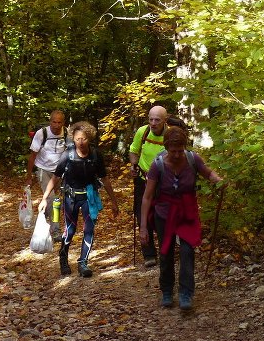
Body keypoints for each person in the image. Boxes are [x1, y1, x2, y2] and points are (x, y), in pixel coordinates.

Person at [139, 125, 224, 310]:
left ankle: (186, 293)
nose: (177, 155)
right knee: (166, 252)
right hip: (164, 212)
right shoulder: (158, 165)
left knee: (187, 251)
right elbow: (147, 197)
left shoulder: (192, 159)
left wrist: (217, 179)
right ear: (166, 148)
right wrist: (143, 227)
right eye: (173, 151)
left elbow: (208, 172)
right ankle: (167, 291)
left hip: (187, 211)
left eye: (180, 150)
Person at [39, 121, 120, 277]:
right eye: (77, 139)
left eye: (84, 139)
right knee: (70, 230)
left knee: (89, 229)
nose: (80, 142)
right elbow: (55, 178)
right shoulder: (67, 155)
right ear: (72, 139)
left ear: (89, 138)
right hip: (71, 198)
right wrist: (44, 198)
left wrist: (114, 201)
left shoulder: (96, 155)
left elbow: (105, 179)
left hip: (89, 197)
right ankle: (63, 259)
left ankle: (83, 262)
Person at [128, 105, 169, 267]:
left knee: (161, 214)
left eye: (157, 120)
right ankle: (149, 254)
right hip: (143, 178)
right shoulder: (142, 132)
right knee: (141, 214)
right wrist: (133, 164)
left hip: (163, 181)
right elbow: (134, 150)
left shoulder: (170, 134)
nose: (153, 123)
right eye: (151, 119)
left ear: (164, 120)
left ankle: (165, 249)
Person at [27, 109, 68, 235]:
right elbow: (33, 155)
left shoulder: (66, 133)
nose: (56, 125)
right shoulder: (42, 133)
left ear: (63, 123)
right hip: (43, 170)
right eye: (54, 122)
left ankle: (41, 219)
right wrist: (29, 175)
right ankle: (55, 230)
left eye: (59, 122)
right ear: (50, 121)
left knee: (50, 200)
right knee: (52, 199)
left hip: (59, 172)